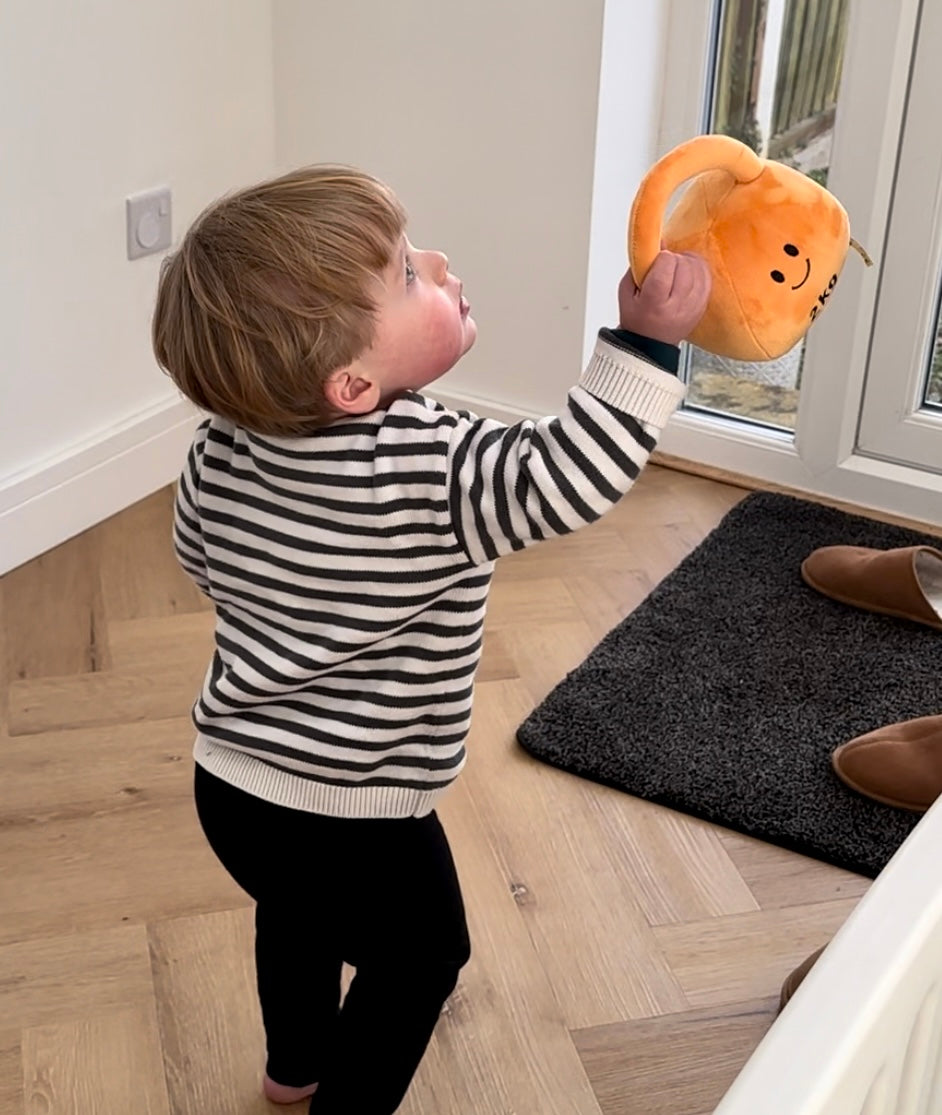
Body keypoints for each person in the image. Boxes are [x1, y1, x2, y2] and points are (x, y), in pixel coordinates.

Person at [152, 164, 710, 1114]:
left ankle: (295, 1066)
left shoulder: (220, 447)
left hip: (232, 782)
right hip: (358, 809)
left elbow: (198, 559)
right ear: (354, 383)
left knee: (295, 915)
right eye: (408, 273)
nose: (441, 265)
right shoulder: (435, 467)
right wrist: (647, 348)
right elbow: (565, 477)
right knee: (420, 959)